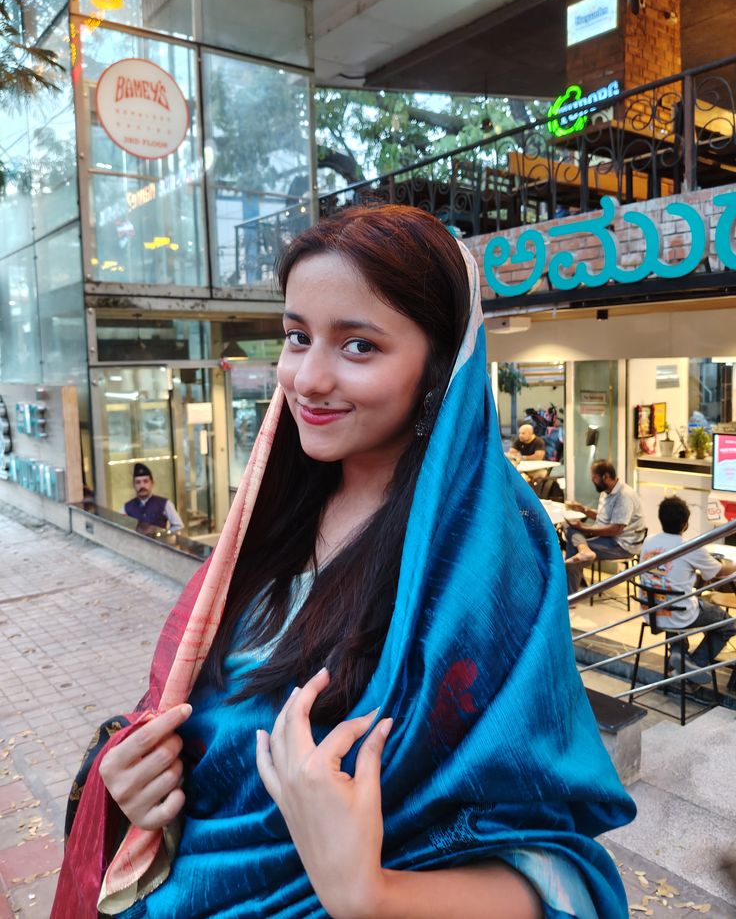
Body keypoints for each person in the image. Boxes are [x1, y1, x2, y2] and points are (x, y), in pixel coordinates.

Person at [53, 206, 634, 919]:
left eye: (359, 345)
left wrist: (371, 892)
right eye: (297, 336)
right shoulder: (270, 514)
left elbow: (548, 857)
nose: (308, 378)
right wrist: (138, 788)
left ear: (439, 365)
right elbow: (199, 724)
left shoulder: (489, 550)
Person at [639, 496, 736, 683]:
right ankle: (693, 664)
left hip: (651, 610)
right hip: (677, 614)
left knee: (680, 601)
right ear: (685, 524)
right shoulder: (690, 547)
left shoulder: (648, 542)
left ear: (661, 518)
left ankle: (678, 652)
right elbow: (716, 571)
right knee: (728, 625)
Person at [564, 459, 646, 598]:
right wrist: (583, 510)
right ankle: (584, 551)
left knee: (573, 543)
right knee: (568, 526)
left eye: (594, 477)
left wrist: (584, 528)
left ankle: (570, 596)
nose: (592, 480)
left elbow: (616, 529)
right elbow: (604, 517)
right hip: (609, 536)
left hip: (622, 544)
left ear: (606, 476)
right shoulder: (606, 492)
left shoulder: (624, 496)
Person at [122, 463, 183, 534]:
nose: (142, 486)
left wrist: (162, 534)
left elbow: (178, 526)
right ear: (133, 485)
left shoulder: (165, 504)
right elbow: (120, 529)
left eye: (145, 481)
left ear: (152, 483)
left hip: (158, 541)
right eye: (138, 482)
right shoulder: (126, 507)